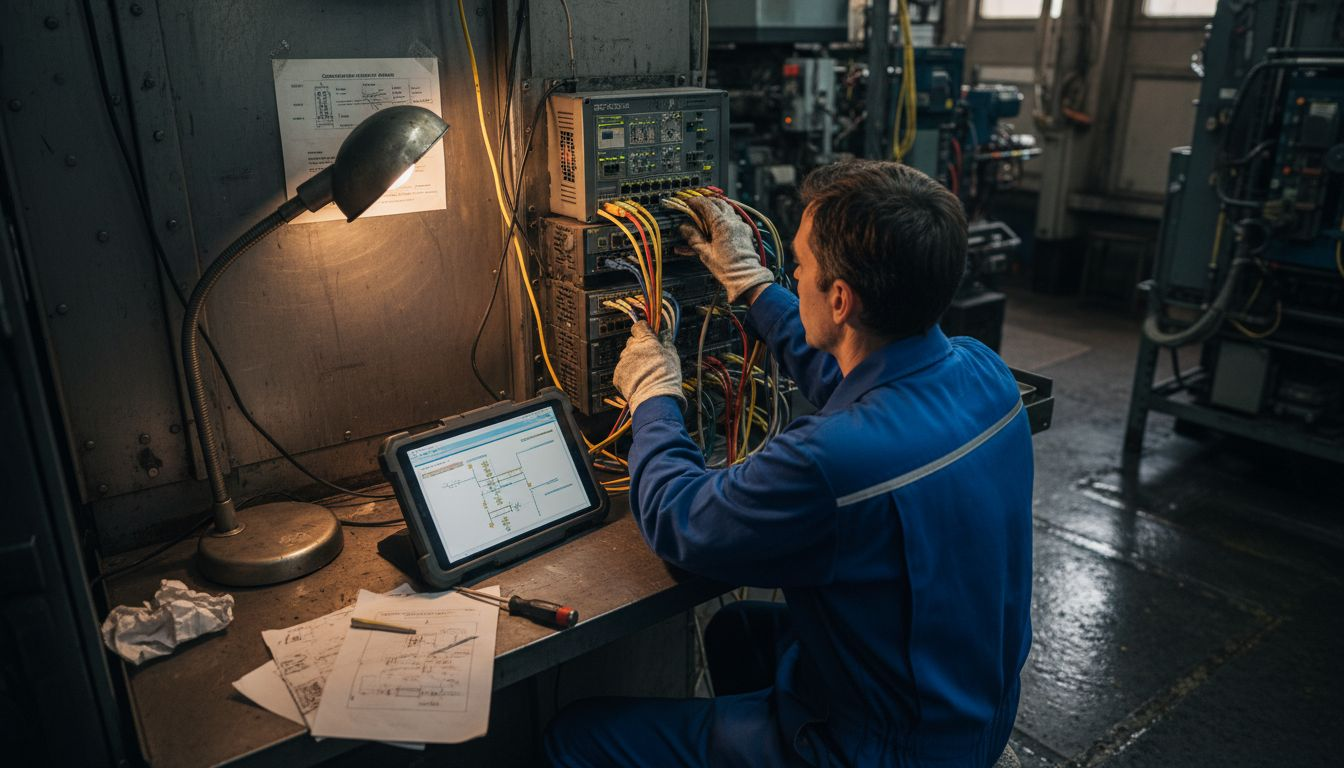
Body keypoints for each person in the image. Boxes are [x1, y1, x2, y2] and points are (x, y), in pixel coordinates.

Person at [545, 160, 1033, 767]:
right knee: (739, 632)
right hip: (976, 711)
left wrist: (653, 395)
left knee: (574, 736)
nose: (793, 275)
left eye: (798, 266)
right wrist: (752, 284)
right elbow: (854, 376)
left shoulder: (827, 461)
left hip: (887, 751)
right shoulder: (985, 371)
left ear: (840, 299)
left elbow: (679, 521)